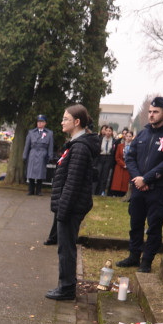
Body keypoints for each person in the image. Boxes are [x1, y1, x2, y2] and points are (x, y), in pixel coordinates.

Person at [118, 97, 163, 273]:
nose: (151, 115)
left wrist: (146, 179)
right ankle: (134, 256)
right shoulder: (142, 134)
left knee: (154, 227)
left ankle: (146, 261)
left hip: (158, 190)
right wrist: (138, 178)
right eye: (150, 112)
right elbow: (130, 157)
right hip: (138, 188)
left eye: (155, 112)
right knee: (136, 224)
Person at [46, 104, 100, 300]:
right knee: (65, 246)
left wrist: (63, 210)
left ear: (77, 122)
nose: (62, 122)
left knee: (66, 248)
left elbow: (73, 183)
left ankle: (67, 288)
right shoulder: (76, 145)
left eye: (66, 119)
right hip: (69, 205)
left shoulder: (79, 148)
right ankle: (66, 284)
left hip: (71, 207)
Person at [24, 114, 53, 195]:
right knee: (31, 172)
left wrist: (50, 156)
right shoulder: (31, 132)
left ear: (45, 123)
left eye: (41, 122)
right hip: (33, 153)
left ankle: (39, 191)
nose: (39, 123)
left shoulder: (49, 133)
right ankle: (31, 190)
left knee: (41, 173)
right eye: (38, 122)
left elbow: (50, 146)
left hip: (42, 154)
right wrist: (25, 155)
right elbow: (27, 145)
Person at [93, 124, 116, 195]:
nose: (108, 132)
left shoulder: (114, 141)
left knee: (105, 176)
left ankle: (102, 192)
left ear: (111, 132)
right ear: (105, 131)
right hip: (100, 158)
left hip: (108, 158)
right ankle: (94, 191)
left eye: (110, 131)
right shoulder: (100, 139)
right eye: (107, 130)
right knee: (98, 174)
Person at [110, 131, 131, 197]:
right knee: (117, 180)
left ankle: (123, 193)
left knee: (125, 181)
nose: (128, 138)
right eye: (127, 136)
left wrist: (128, 164)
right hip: (120, 165)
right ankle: (115, 193)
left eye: (130, 136)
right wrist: (123, 164)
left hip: (128, 166)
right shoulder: (120, 146)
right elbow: (117, 157)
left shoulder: (133, 147)